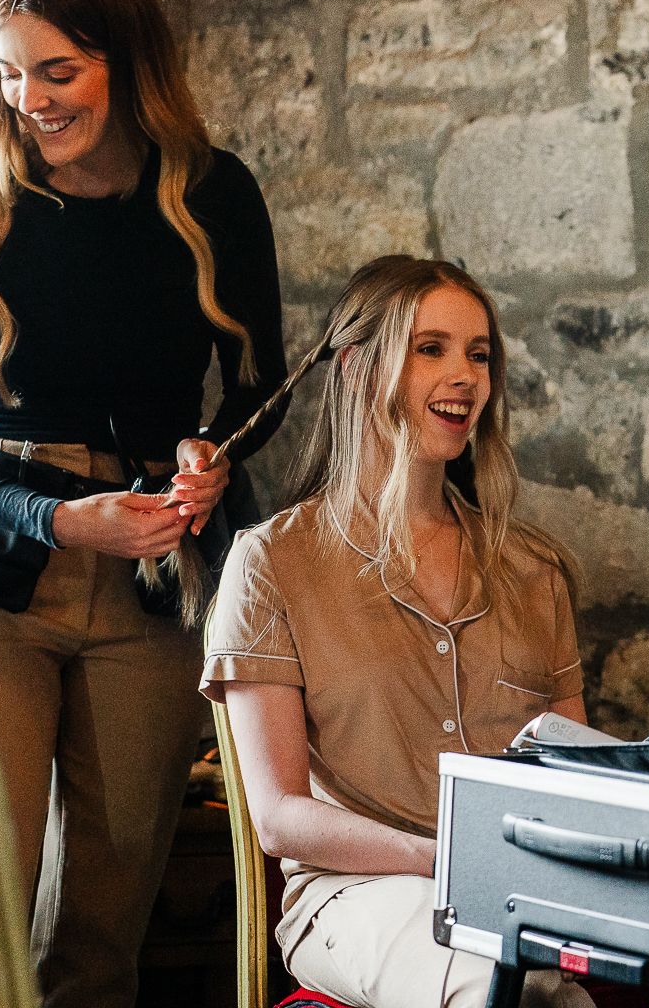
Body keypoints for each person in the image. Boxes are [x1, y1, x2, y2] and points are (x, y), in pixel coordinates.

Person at [0, 0, 287, 1006]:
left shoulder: (216, 195)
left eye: (59, 71)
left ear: (130, 62)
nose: (30, 99)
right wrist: (61, 520)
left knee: (106, 924)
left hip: (155, 570)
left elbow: (258, 389)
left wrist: (211, 457)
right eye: (8, 72)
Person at [202, 256, 593, 1008]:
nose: (466, 376)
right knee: (504, 989)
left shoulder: (532, 569)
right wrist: (442, 859)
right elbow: (280, 817)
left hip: (519, 893)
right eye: (431, 348)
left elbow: (579, 783)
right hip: (353, 899)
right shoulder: (271, 563)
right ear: (355, 370)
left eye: (479, 355)